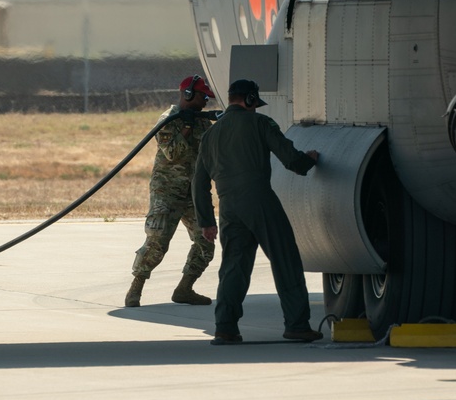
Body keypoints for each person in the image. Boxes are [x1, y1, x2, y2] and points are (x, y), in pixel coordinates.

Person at [192, 79, 322, 344]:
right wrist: (308, 160)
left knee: (233, 267)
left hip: (229, 207)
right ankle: (297, 325)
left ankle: (225, 328)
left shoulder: (210, 135)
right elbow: (291, 159)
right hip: (259, 199)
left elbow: (199, 182)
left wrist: (206, 221)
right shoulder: (260, 123)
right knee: (285, 259)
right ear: (250, 100)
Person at [125, 75, 217, 307]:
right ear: (188, 95)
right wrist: (185, 126)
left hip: (193, 193)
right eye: (202, 96)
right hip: (167, 192)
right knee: (157, 242)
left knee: (205, 242)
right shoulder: (169, 120)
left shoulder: (204, 122)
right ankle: (136, 288)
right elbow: (173, 153)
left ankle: (185, 289)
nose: (206, 101)